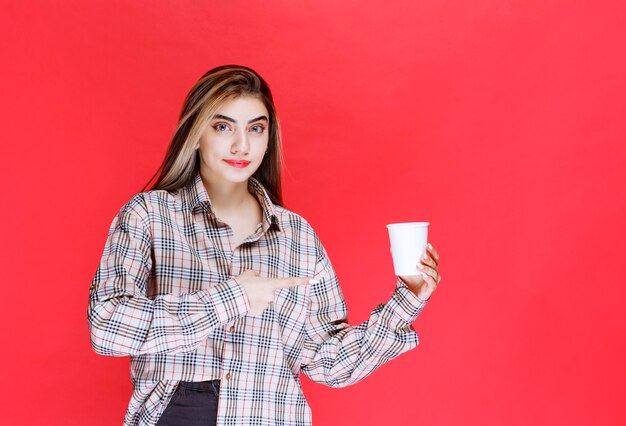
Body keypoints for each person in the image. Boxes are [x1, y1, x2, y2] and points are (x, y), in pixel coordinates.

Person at [87, 64, 442, 426]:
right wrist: (234, 297)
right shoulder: (150, 216)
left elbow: (332, 364)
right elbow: (107, 327)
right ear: (195, 134)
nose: (242, 145)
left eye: (255, 129)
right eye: (222, 126)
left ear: (268, 139)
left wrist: (408, 300)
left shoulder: (297, 238)